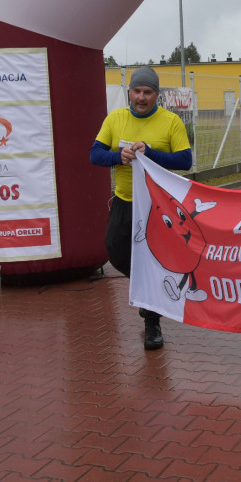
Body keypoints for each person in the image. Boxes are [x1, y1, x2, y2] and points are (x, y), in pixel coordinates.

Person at [90, 66, 192, 350]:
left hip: (159, 207)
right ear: (129, 92)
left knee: (154, 258)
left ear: (156, 95)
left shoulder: (170, 122)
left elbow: (185, 161)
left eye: (148, 92)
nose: (142, 97)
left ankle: (151, 321)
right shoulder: (115, 119)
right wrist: (117, 156)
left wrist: (151, 152)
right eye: (137, 91)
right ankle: (150, 285)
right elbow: (94, 155)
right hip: (125, 201)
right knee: (116, 251)